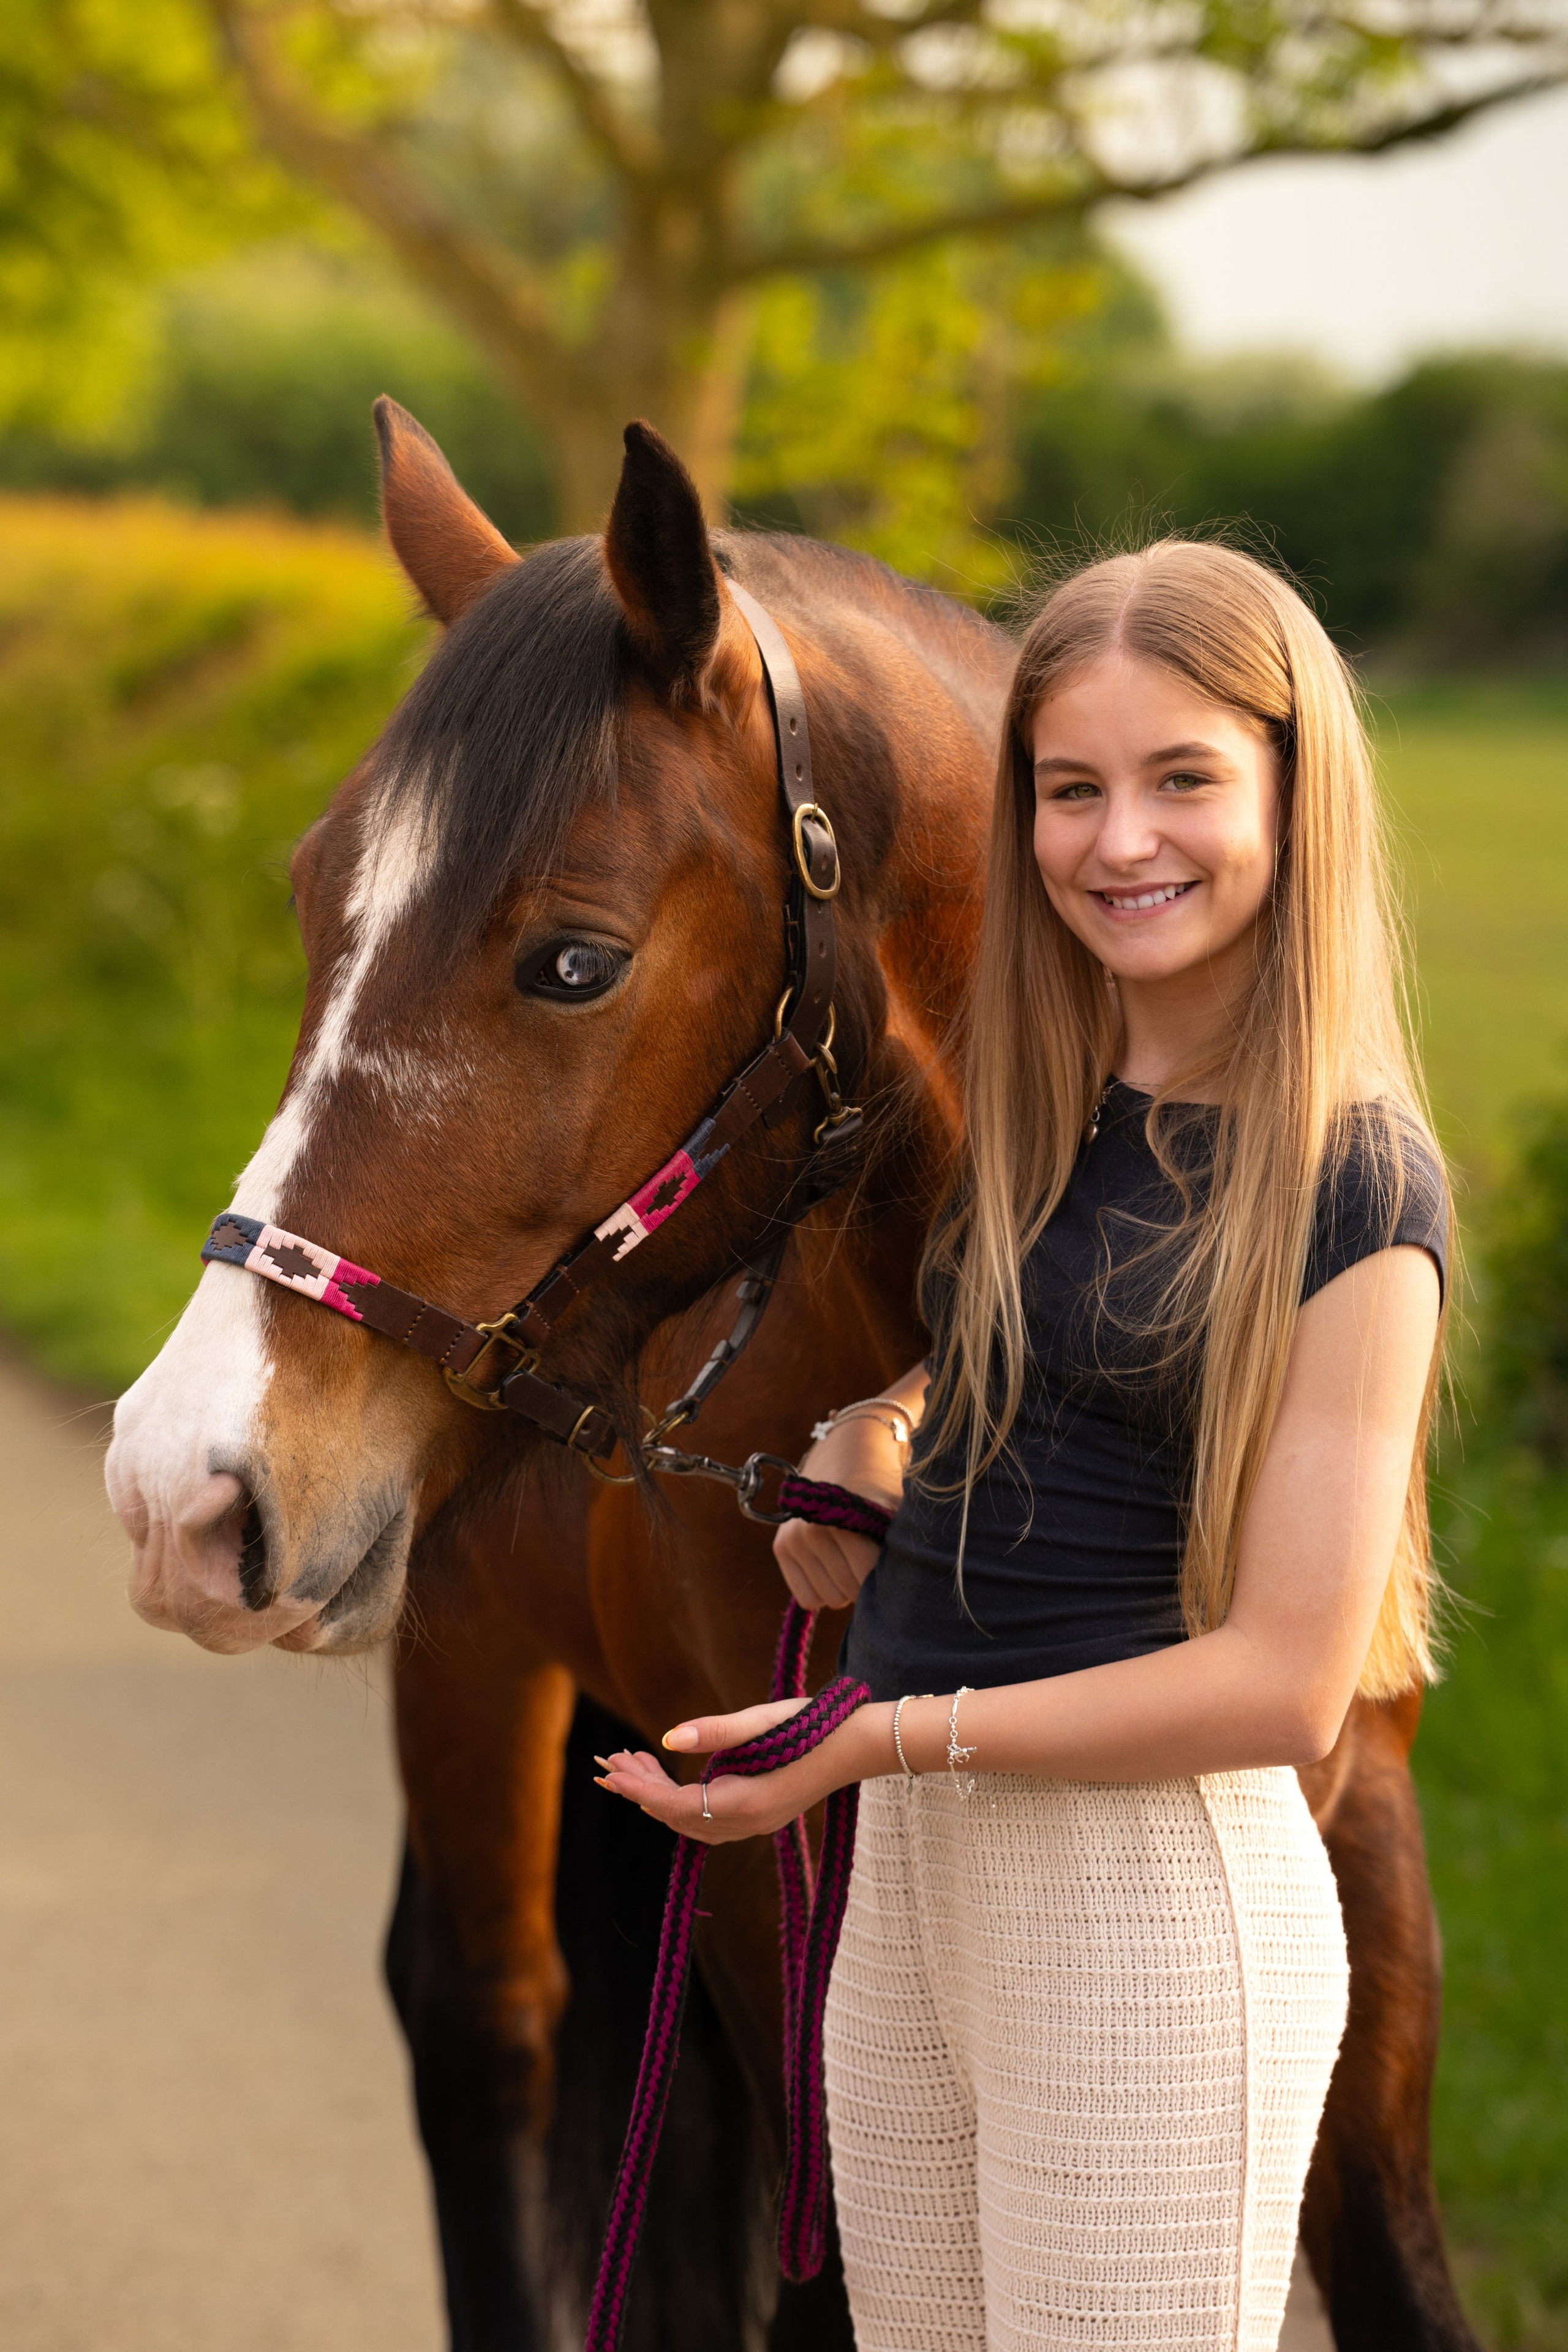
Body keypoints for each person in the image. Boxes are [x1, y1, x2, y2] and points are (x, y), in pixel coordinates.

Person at [596, 540, 1450, 2351]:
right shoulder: (1061, 1117)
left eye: (1183, 779)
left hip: (1144, 1906)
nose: (1119, 839)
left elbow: (1288, 1688)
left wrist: (858, 1740)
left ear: (1302, 794)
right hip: (923, 1887)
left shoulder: (1354, 1184)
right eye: (1072, 789)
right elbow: (1033, 1370)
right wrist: (882, 1433)